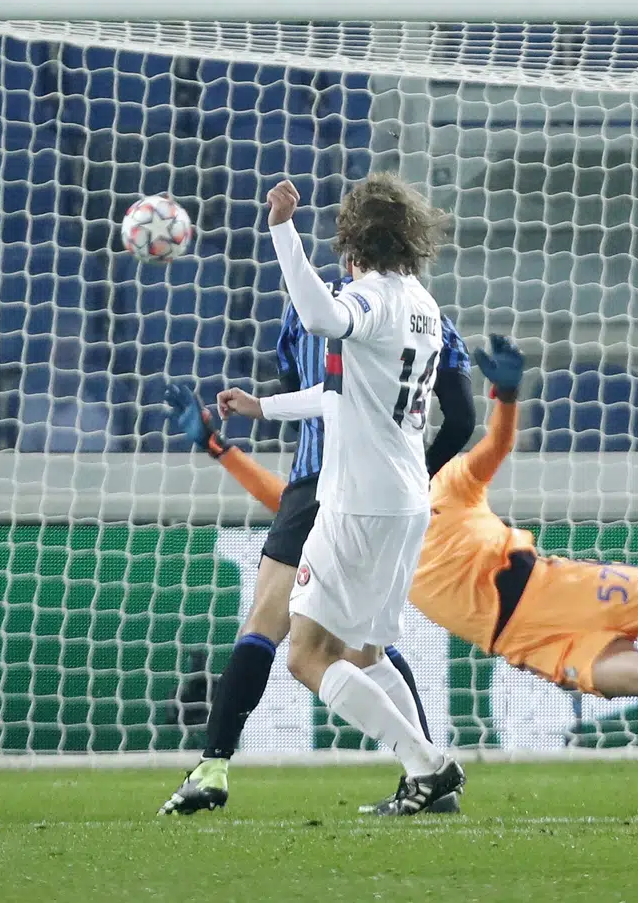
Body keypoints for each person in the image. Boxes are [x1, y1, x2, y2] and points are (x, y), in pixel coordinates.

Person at [178, 336, 638, 803]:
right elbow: (289, 504)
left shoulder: (449, 479)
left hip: (558, 589)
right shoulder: (354, 501)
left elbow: (498, 445)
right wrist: (221, 451)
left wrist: (504, 397)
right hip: (526, 642)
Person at [158, 186, 475, 817]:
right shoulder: (424, 305)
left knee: (304, 653)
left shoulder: (367, 298)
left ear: (353, 241)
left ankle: (426, 765)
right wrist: (262, 407)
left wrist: (282, 229)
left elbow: (320, 318)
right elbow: (340, 397)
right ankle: (428, 771)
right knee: (368, 651)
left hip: (353, 497)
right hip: (406, 496)